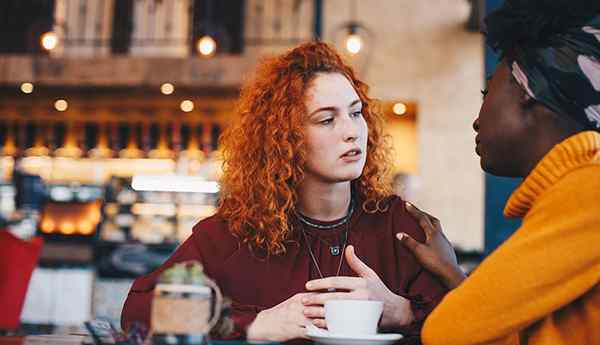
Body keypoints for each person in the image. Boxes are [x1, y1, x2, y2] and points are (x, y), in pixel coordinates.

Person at [121, 41, 448, 343]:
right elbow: (138, 309)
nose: (351, 131)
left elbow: (468, 326)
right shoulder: (233, 233)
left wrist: (399, 311)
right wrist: (255, 324)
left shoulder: (399, 226)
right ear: (285, 140)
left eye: (355, 112)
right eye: (326, 120)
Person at [396, 1, 600, 344]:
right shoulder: (573, 195)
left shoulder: (589, 190)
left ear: (526, 92)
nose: (476, 118)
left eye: (486, 92)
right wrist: (451, 271)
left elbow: (446, 332)